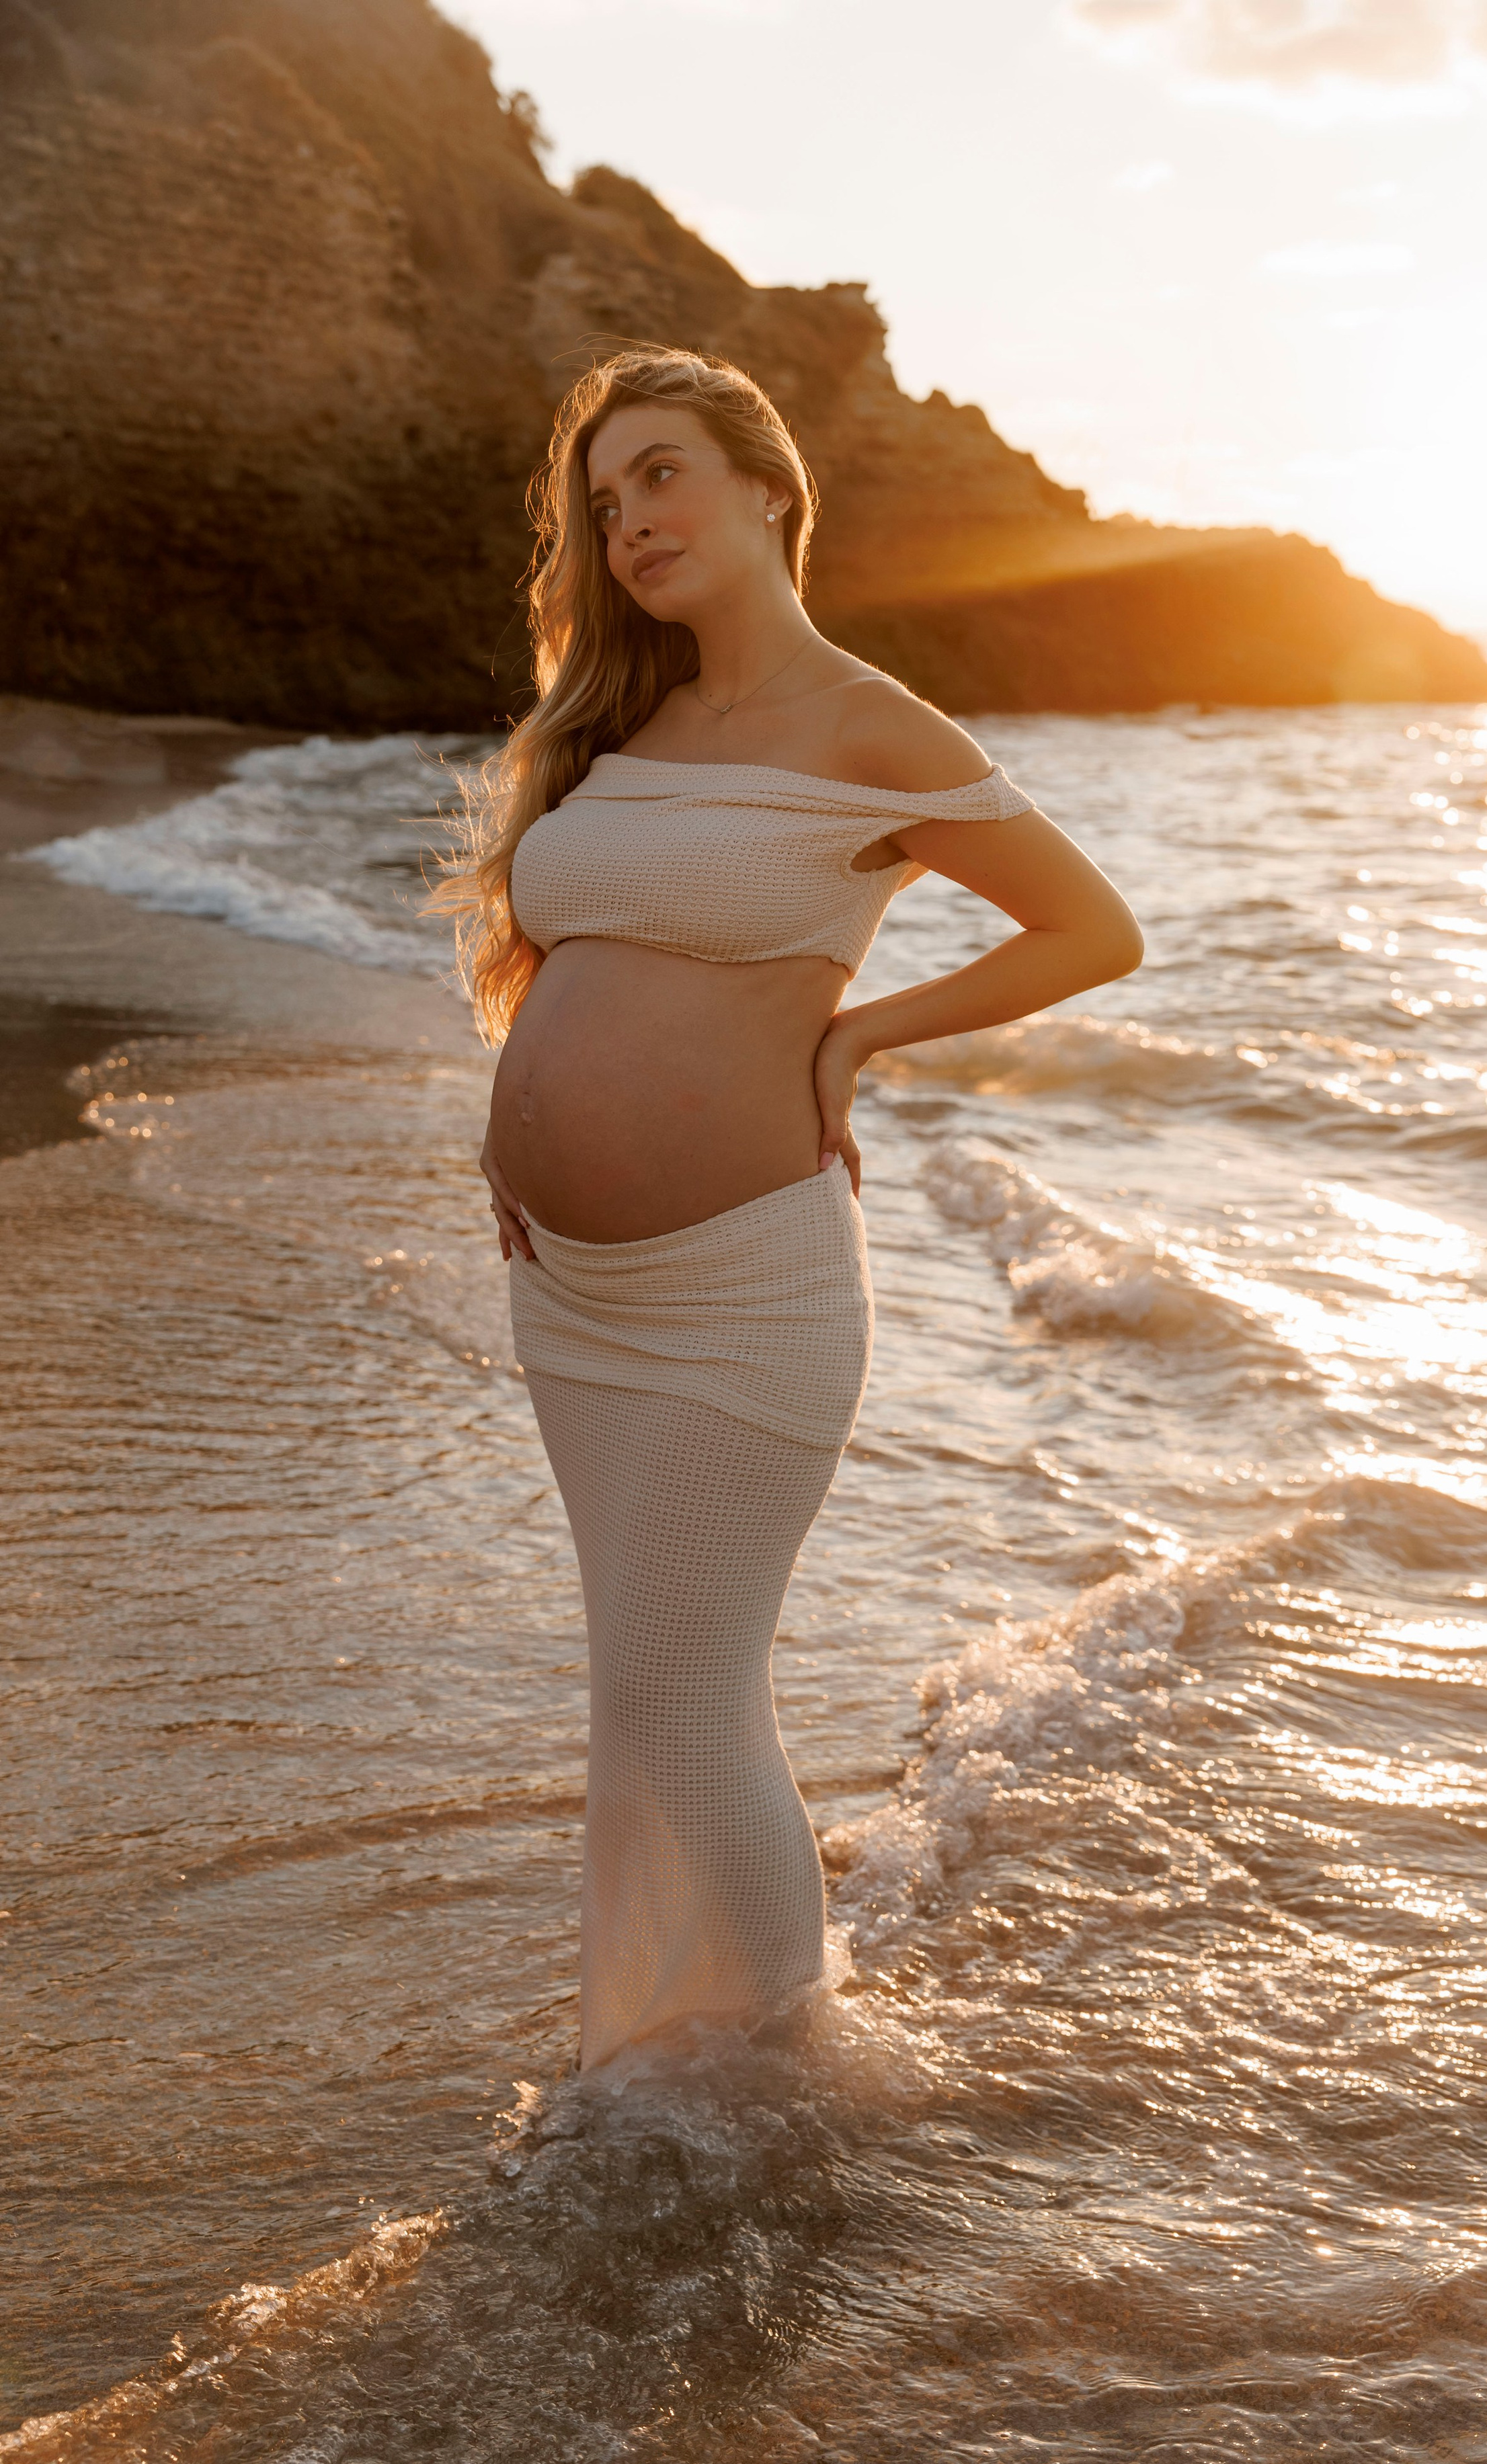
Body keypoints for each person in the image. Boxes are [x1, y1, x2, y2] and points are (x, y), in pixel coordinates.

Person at [435, 345, 1143, 2073]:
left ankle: (788, 2066)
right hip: (572, 1294)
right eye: (602, 506)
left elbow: (1091, 931)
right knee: (641, 1701)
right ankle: (655, 2055)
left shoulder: (870, 727)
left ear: (766, 487)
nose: (630, 525)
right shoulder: (618, 720)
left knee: (682, 1702)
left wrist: (865, 1031)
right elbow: (576, 960)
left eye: (661, 476)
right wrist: (510, 1131)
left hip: (743, 1287)